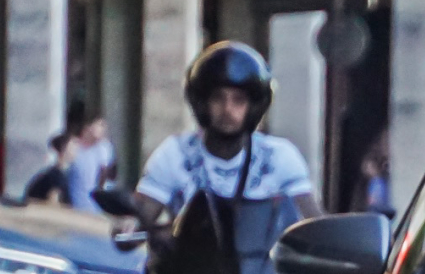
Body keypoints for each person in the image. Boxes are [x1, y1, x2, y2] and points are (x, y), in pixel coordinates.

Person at [132, 42, 320, 244]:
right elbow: (135, 225)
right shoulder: (175, 154)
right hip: (190, 270)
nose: (227, 109)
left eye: (238, 100)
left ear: (254, 106)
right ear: (202, 103)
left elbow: (315, 225)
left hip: (263, 270)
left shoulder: (279, 157)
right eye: (218, 99)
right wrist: (131, 222)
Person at [63, 106, 114, 210]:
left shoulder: (104, 147)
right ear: (87, 126)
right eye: (100, 125)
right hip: (75, 205)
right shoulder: (73, 146)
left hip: (96, 208)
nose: (103, 129)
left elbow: (106, 176)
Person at [22, 133, 77, 206]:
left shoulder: (60, 174)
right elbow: (53, 203)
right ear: (64, 149)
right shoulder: (56, 177)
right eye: (72, 146)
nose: (76, 149)